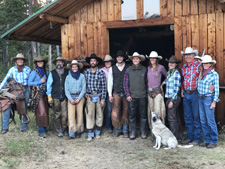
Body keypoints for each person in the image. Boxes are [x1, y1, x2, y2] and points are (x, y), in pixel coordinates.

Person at [0, 53, 31, 134]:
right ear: (16, 61)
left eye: (21, 59)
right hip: (13, 89)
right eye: (18, 60)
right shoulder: (12, 69)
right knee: (6, 106)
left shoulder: (28, 69)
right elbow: (5, 79)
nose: (20, 61)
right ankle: (5, 127)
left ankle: (23, 126)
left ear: (23, 61)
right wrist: (0, 88)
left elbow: (30, 81)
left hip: (24, 89)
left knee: (23, 107)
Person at [181, 47, 202, 145]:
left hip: (195, 94)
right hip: (186, 94)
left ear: (194, 56)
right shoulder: (183, 67)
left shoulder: (199, 66)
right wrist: (182, 90)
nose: (188, 57)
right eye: (186, 55)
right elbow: (183, 80)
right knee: (187, 116)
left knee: (196, 116)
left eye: (190, 55)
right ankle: (190, 137)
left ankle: (197, 139)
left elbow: (206, 73)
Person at [123, 52, 148, 140]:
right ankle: (132, 132)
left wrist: (147, 93)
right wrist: (128, 94)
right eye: (134, 59)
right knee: (132, 115)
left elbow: (147, 82)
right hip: (132, 96)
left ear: (140, 60)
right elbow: (125, 84)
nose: (135, 60)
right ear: (132, 60)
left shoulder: (144, 69)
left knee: (143, 115)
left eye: (137, 58)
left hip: (142, 95)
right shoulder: (128, 70)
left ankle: (143, 132)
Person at [197, 55, 219, 149]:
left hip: (208, 98)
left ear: (210, 64)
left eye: (207, 63)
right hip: (201, 98)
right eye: (204, 63)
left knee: (210, 120)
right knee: (203, 120)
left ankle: (213, 140)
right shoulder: (201, 73)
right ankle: (206, 139)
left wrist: (214, 101)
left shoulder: (214, 74)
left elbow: (217, 89)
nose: (205, 64)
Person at [84, 53, 106, 141]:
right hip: (90, 96)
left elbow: (104, 87)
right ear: (90, 62)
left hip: (99, 95)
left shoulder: (101, 72)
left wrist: (103, 99)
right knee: (90, 114)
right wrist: (85, 92)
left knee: (99, 114)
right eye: (91, 61)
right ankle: (90, 132)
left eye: (94, 61)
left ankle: (98, 131)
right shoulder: (86, 72)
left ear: (97, 62)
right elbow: (84, 84)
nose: (93, 62)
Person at [108, 50, 129, 138]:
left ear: (123, 58)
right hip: (116, 92)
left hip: (125, 93)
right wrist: (110, 94)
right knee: (115, 112)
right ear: (116, 58)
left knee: (126, 111)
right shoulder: (112, 68)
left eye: (121, 57)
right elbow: (110, 82)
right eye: (118, 57)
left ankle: (125, 129)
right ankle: (117, 129)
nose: (119, 58)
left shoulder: (128, 67)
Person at [47, 57, 69, 137]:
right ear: (56, 63)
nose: (59, 63)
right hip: (55, 96)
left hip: (64, 96)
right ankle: (59, 130)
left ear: (63, 63)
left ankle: (64, 129)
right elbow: (48, 85)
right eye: (57, 62)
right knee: (57, 114)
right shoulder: (52, 73)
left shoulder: (67, 72)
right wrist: (49, 96)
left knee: (65, 114)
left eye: (60, 62)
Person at [28, 56, 49, 138]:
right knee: (41, 112)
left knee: (46, 111)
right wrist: (39, 81)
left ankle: (45, 128)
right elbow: (29, 83)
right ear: (36, 63)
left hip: (45, 93)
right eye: (38, 62)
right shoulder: (34, 72)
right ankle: (41, 131)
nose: (40, 63)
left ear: (43, 63)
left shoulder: (46, 72)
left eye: (41, 61)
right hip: (38, 93)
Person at [65, 60, 86, 139]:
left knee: (80, 114)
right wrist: (70, 99)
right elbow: (66, 90)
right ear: (71, 68)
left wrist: (79, 98)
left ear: (78, 67)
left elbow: (84, 89)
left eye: (76, 66)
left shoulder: (82, 76)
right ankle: (71, 132)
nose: (74, 68)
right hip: (71, 97)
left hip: (79, 96)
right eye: (73, 67)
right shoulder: (68, 77)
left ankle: (79, 131)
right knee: (71, 115)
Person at [146, 51, 167, 131]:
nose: (152, 59)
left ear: (157, 59)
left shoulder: (161, 67)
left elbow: (168, 76)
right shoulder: (147, 68)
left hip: (157, 92)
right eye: (151, 58)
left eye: (154, 58)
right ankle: (153, 132)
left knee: (158, 112)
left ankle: (161, 131)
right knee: (151, 112)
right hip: (149, 93)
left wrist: (163, 84)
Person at [164, 55, 182, 140]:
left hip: (173, 97)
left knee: (171, 118)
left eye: (172, 63)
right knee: (175, 117)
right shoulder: (169, 73)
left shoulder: (176, 74)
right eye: (170, 63)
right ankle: (178, 136)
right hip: (170, 97)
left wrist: (172, 100)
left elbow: (176, 88)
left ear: (175, 64)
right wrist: (162, 83)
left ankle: (173, 138)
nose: (170, 64)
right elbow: (167, 81)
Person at [101, 55, 114, 133]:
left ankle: (111, 125)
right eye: (106, 62)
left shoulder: (114, 69)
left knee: (111, 109)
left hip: (112, 91)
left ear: (111, 62)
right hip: (103, 91)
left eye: (108, 61)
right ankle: (105, 125)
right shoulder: (101, 70)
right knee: (104, 109)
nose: (107, 63)